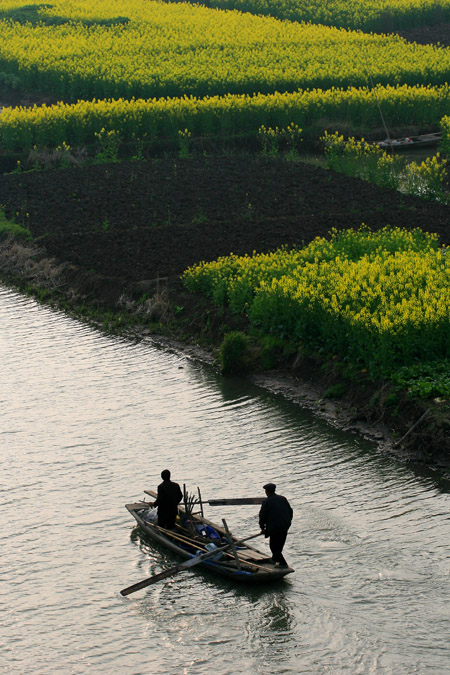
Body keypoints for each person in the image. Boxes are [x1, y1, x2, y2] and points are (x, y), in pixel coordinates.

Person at [259, 482, 293, 567]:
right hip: (285, 526)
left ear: (267, 492)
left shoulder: (266, 502)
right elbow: (290, 511)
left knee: (274, 547)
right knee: (279, 545)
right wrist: (288, 521)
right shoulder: (283, 499)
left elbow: (262, 516)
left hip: (275, 527)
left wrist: (262, 528)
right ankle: (274, 559)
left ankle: (283, 564)